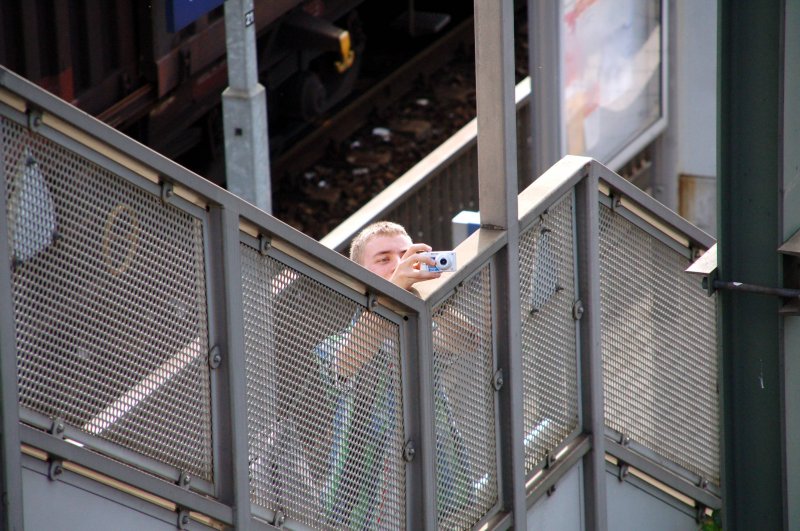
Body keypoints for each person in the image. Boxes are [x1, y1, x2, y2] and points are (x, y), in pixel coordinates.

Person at [314, 221, 473, 528]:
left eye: (404, 255)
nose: (398, 265)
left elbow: (468, 341)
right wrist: (394, 292)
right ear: (359, 275)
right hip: (364, 500)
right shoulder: (336, 344)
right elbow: (345, 364)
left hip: (439, 491)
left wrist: (428, 293)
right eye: (384, 259)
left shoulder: (427, 329)